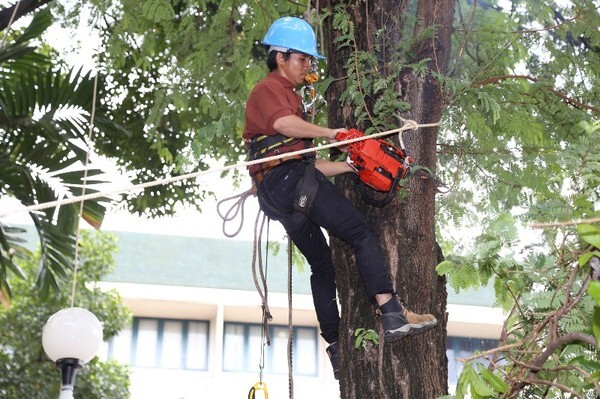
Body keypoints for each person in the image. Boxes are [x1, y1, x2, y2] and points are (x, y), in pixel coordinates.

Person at [242, 16, 437, 379]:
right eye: (303, 59)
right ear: (281, 57)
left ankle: (334, 345)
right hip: (289, 183)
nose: (308, 66)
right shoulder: (270, 89)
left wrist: (349, 165)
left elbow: (309, 164)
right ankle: (391, 310)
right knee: (360, 232)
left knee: (323, 265)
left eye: (310, 60)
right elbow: (285, 128)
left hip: (281, 193)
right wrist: (335, 132)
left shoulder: (289, 100)